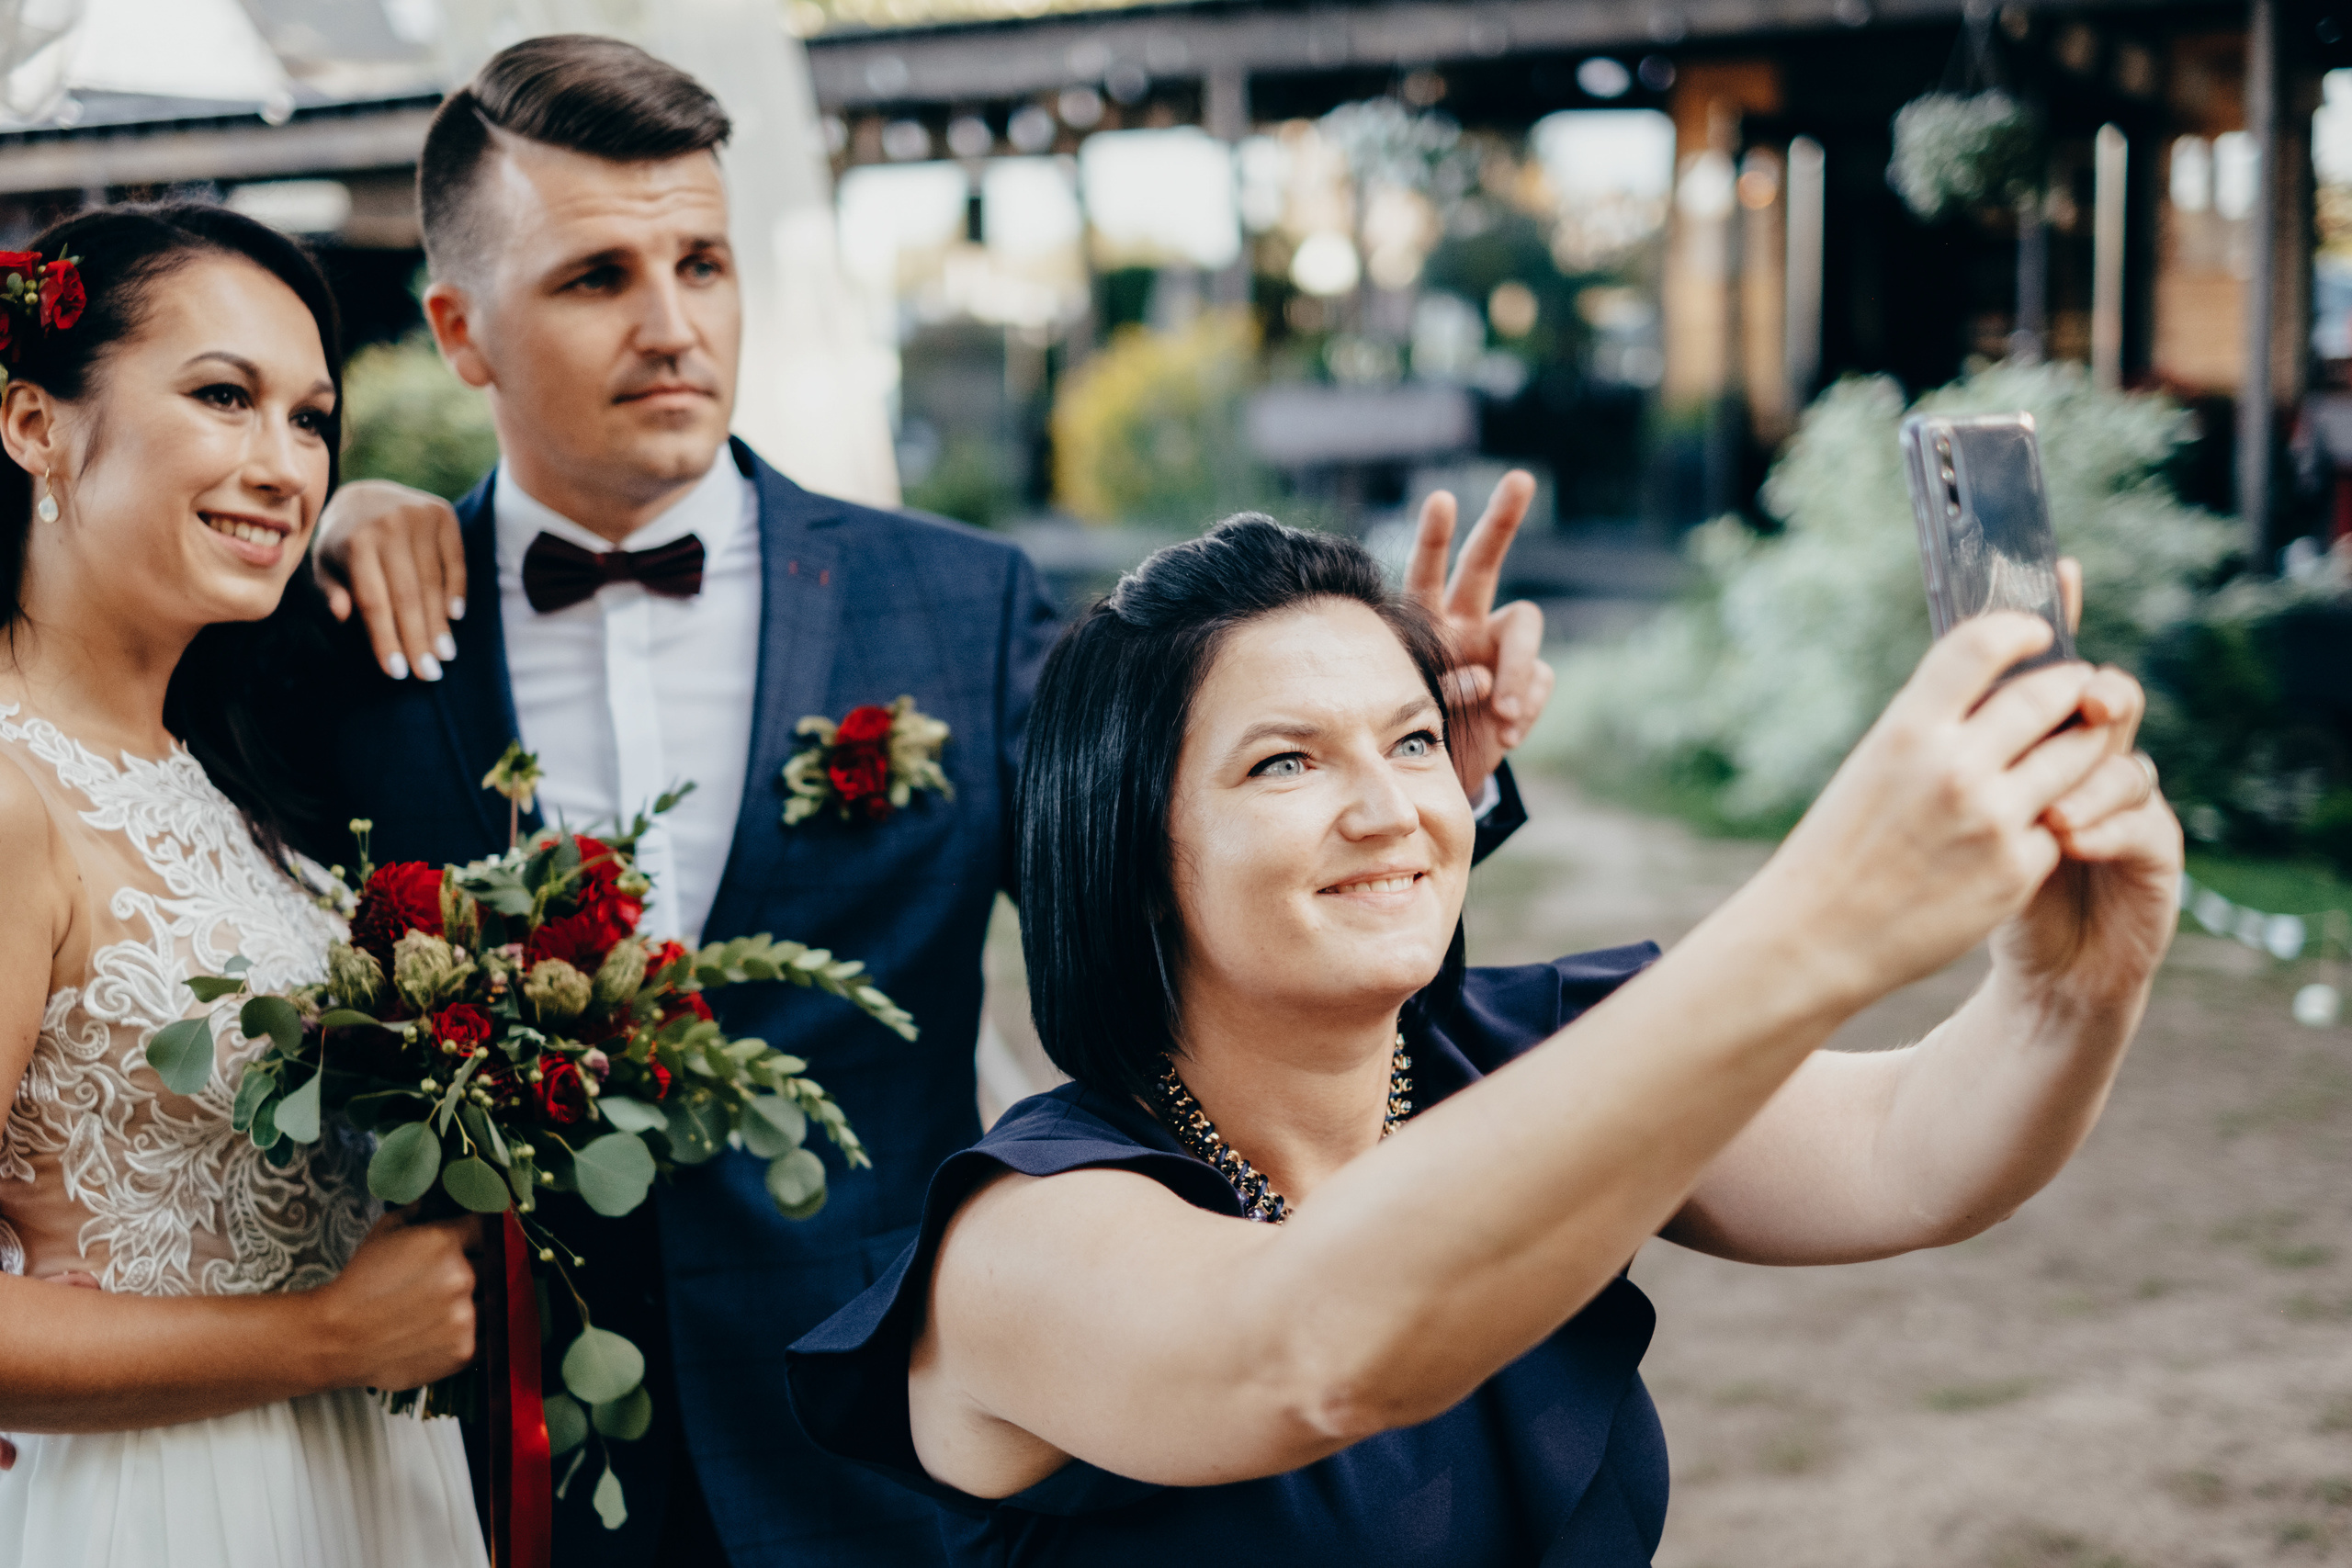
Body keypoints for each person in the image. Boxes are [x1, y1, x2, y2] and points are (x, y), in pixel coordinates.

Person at [310, 35, 1552, 1566]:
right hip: (483, 1470)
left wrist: (1433, 781)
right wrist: (331, 509)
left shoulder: (954, 603)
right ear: (459, 330)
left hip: (895, 1444)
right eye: (595, 279)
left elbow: (1167, 882)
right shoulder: (341, 642)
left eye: (702, 262)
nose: (673, 324)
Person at [786, 516, 2180, 1565]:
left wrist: (2068, 989)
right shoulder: (1021, 1246)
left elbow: (1906, 1156)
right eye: (1286, 761)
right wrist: (1824, 917)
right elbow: (1315, 1349)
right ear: (1131, 848)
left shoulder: (1529, 1054)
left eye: (1408, 743)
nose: (1393, 809)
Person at [0, 203, 487, 1567]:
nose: (283, 466)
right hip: (156, 1505)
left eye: (312, 420)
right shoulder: (9, 792)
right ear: (34, 424)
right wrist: (331, 1335)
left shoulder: (223, 762)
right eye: (224, 397)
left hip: (353, 1479)